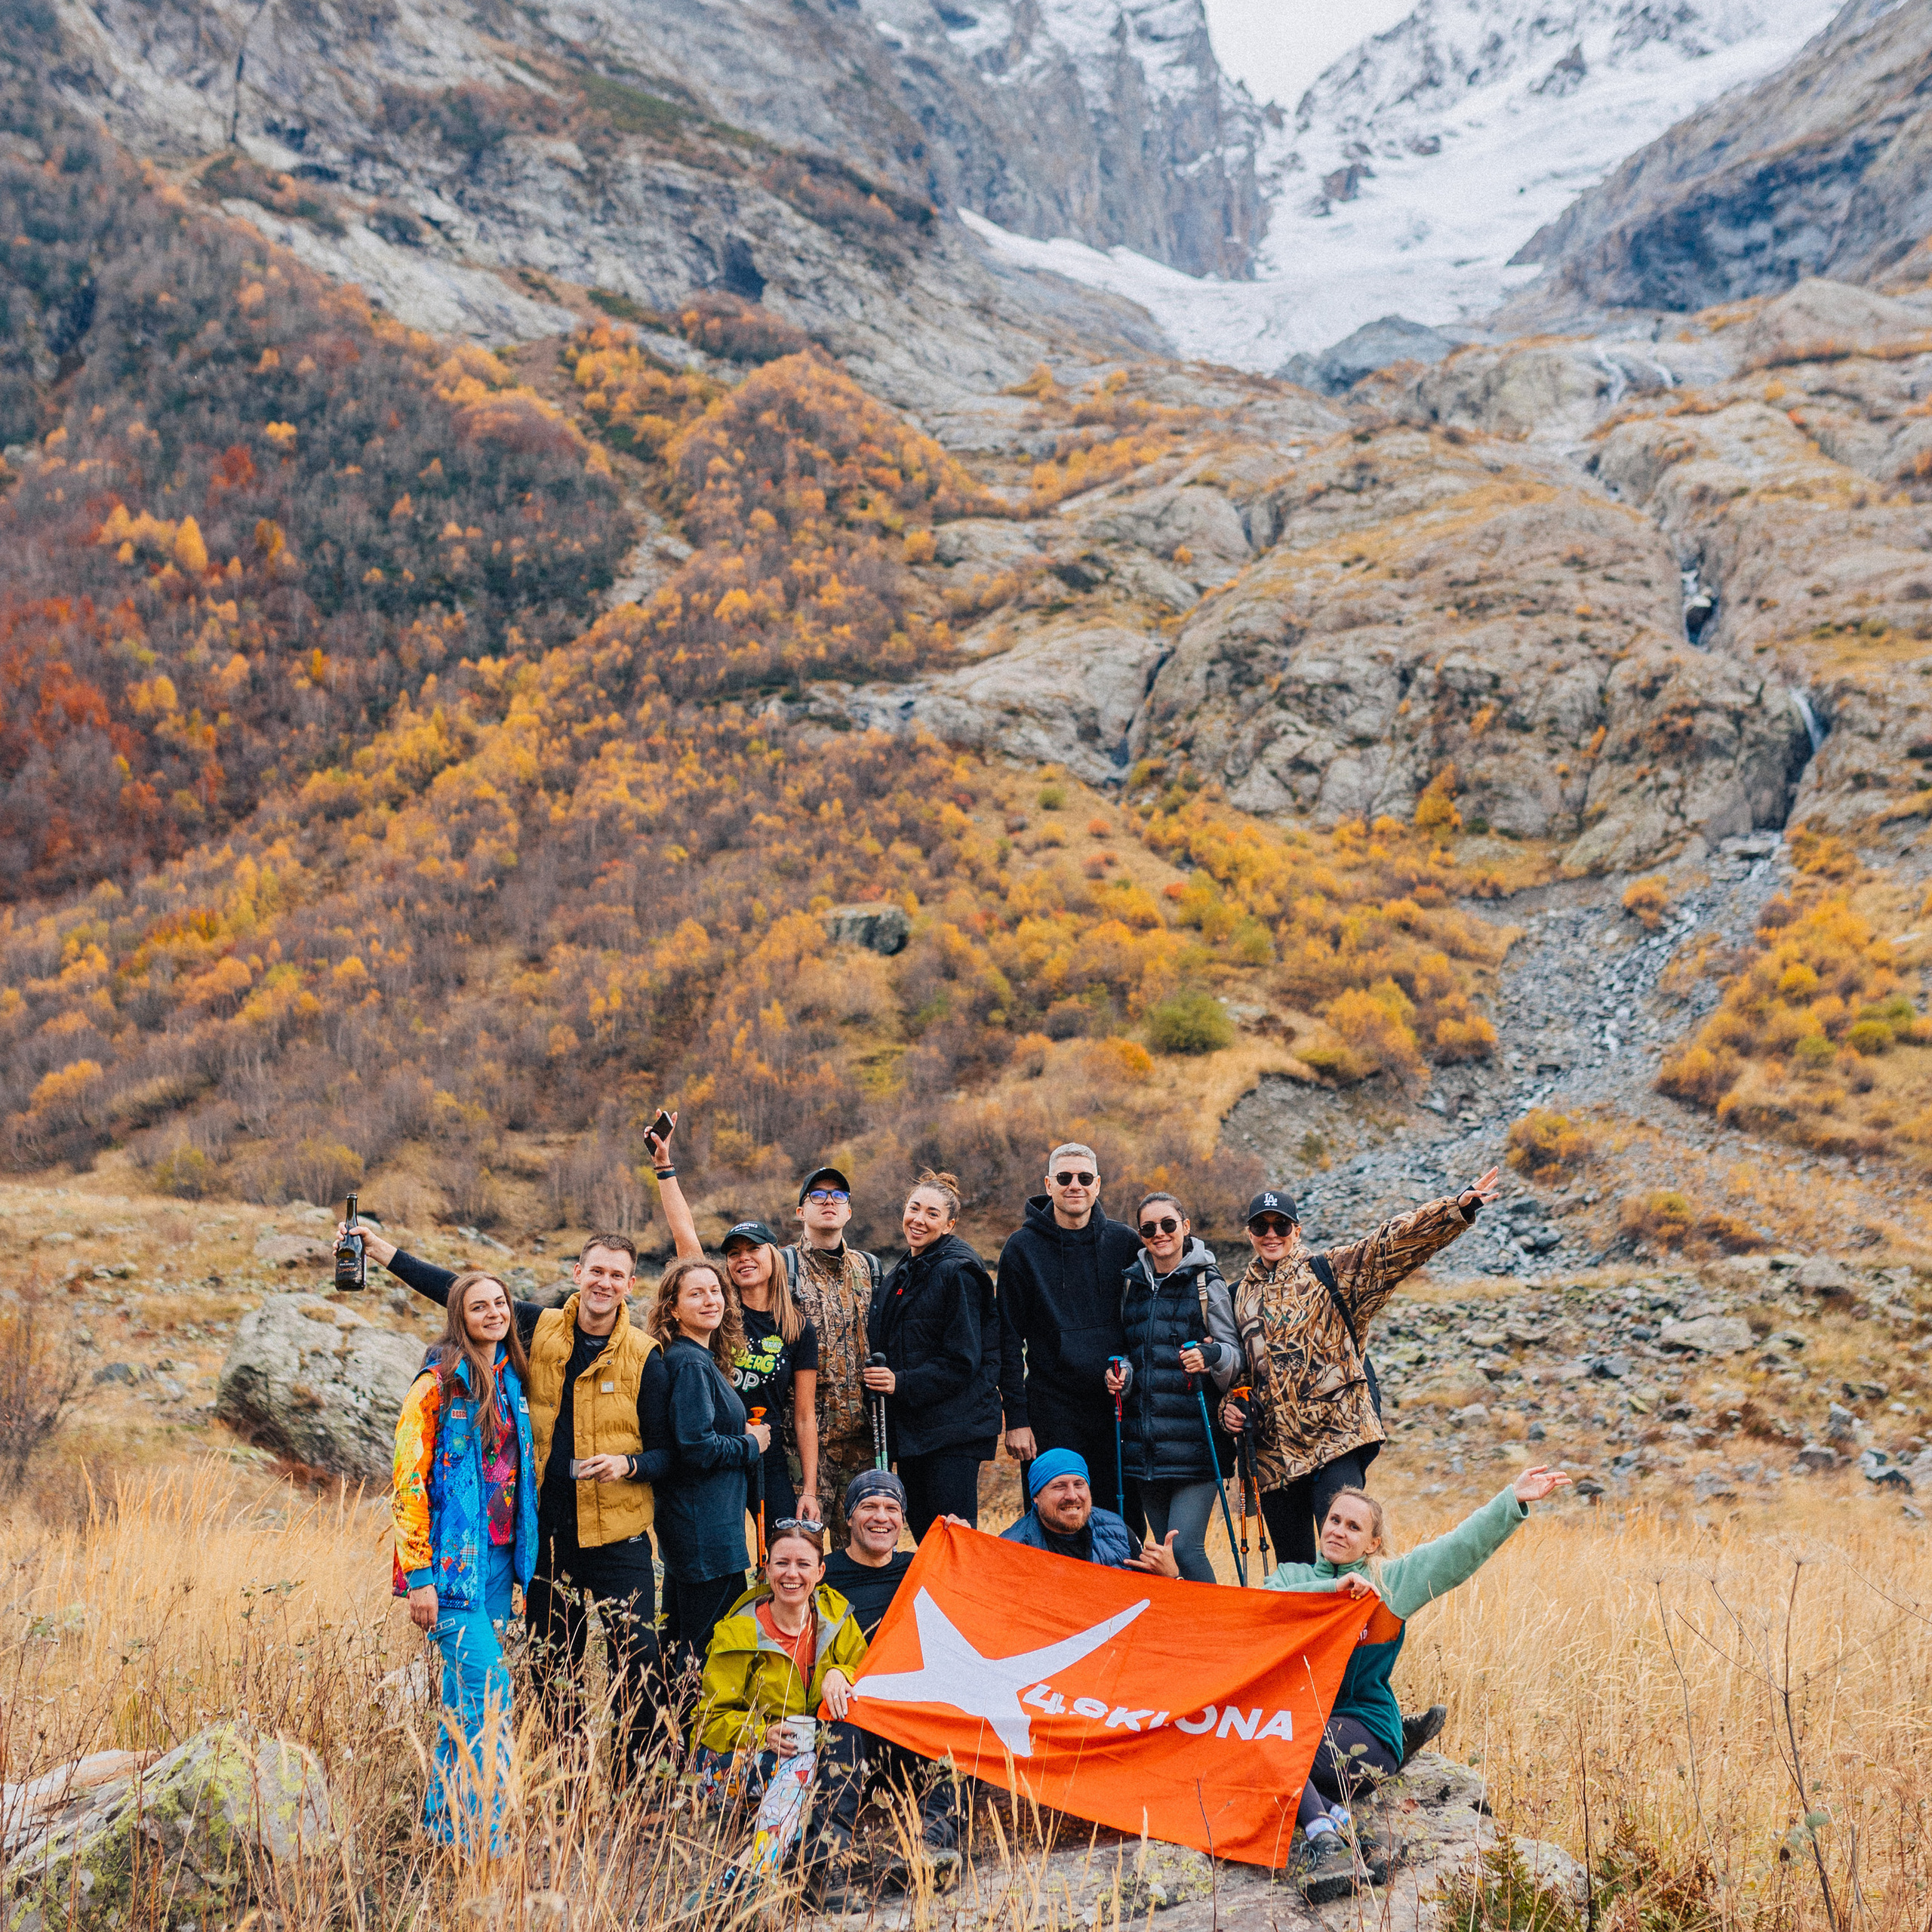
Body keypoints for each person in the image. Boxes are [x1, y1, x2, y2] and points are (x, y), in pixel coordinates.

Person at [361, 1217, 672, 1783]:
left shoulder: (647, 1356)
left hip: (617, 1533)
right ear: (578, 1274)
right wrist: (384, 1252)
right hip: (546, 1537)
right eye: (596, 1271)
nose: (604, 1283)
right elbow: (462, 1292)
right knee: (556, 1665)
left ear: (631, 1284)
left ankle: (638, 1789)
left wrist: (629, 1464)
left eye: (617, 1275)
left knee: (640, 1659)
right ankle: (565, 1787)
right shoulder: (541, 1328)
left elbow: (668, 1451)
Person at [1262, 1467, 1572, 1900]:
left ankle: (1324, 1843)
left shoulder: (1387, 1585)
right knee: (1259, 1738)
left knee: (1279, 1739)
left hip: (1360, 1732)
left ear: (1372, 1545)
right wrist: (1334, 1589)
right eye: (1334, 1520)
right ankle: (1342, 1829)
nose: (1339, 1531)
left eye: (1354, 1527)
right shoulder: (1288, 1579)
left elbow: (1454, 1552)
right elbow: (1264, 1613)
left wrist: (1511, 1501)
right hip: (1302, 1735)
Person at [1221, 1171, 1502, 1568]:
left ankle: (1366, 1630)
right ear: (1249, 1233)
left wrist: (1453, 1210)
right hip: (1274, 1459)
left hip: (1337, 1439)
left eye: (1280, 1225)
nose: (1271, 1234)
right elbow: (1233, 1376)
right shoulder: (1234, 1297)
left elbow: (1390, 1246)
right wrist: (1230, 1409)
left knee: (1343, 1555)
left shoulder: (1331, 1271)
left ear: (1296, 1230)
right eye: (1260, 1226)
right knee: (1294, 1574)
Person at [392, 1271, 537, 1851]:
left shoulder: (511, 1380)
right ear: (460, 1316)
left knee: (464, 1706)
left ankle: (442, 1830)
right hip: (450, 1574)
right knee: (491, 1694)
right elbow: (407, 1482)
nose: (494, 1313)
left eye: (500, 1303)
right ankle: (487, 1842)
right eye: (480, 1307)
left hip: (500, 1566)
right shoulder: (436, 1384)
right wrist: (419, 1578)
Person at [690, 1519, 876, 1903]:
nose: (792, 1574)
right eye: (782, 1564)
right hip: (731, 1764)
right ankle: (759, 1879)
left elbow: (869, 1669)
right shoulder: (737, 1632)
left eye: (804, 1565)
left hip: (801, 1759)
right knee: (800, 1766)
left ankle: (796, 1867)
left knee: (838, 1741)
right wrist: (761, 1732)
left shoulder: (836, 1619)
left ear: (821, 1572)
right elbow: (707, 1720)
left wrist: (841, 1673)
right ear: (767, 1568)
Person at [995, 1143, 1143, 1534]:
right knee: (1055, 1519)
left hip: (1114, 1406)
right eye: (1064, 1178)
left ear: (1097, 1185)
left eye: (1083, 1178)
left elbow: (1145, 1319)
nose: (1074, 1185)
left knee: (1122, 1522)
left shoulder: (1125, 1243)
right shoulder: (1020, 1249)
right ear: (1049, 1184)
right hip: (1050, 1408)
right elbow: (1007, 1339)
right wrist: (1017, 1419)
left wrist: (1130, 1373)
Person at [1106, 1191, 1239, 1583]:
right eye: (1149, 1228)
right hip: (1145, 1448)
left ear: (1185, 1226)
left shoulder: (1206, 1283)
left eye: (1168, 1224)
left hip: (1197, 1443)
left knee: (1183, 1549)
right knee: (1161, 1557)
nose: (1159, 1234)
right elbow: (1129, 1354)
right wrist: (1121, 1376)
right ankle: (1183, 1640)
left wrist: (1210, 1357)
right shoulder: (1132, 1285)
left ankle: (1217, 1634)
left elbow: (1233, 1354)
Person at [651, 1255, 771, 1691]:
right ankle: (699, 1746)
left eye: (716, 1291)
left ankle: (666, 1745)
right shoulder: (691, 1364)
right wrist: (750, 1444)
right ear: (673, 1308)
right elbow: (695, 1447)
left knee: (679, 1645)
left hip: (698, 1527)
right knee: (706, 1649)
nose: (710, 1300)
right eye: (696, 1294)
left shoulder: (696, 1358)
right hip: (706, 1532)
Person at [862, 1171, 1001, 1540]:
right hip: (914, 1433)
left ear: (950, 1223)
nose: (919, 1220)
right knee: (928, 1539)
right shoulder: (901, 1273)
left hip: (951, 1433)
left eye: (932, 1214)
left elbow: (962, 1360)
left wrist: (900, 1382)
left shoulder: (959, 1272)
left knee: (954, 1541)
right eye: (914, 1208)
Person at [782, 1166, 883, 1543]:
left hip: (863, 1442)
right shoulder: (781, 1267)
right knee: (798, 1550)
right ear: (801, 1211)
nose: (829, 1202)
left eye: (839, 1196)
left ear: (849, 1212)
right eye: (818, 1196)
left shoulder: (870, 1269)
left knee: (862, 1551)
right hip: (802, 1444)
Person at [999, 1447, 1180, 1574]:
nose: (1072, 1495)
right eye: (1059, 1487)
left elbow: (1150, 1606)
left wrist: (1171, 1576)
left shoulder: (1117, 1530)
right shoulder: (1011, 1548)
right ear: (1036, 1497)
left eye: (1079, 1485)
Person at [822, 1470, 915, 1640]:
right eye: (869, 1507)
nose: (881, 1517)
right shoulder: (821, 1574)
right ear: (849, 1518)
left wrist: (961, 1537)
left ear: (902, 1521)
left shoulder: (918, 1569)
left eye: (892, 1509)